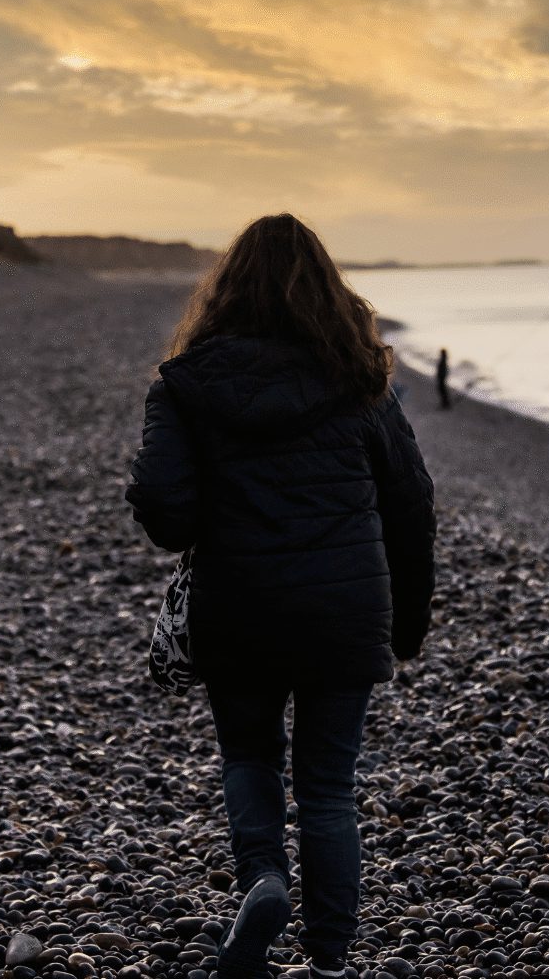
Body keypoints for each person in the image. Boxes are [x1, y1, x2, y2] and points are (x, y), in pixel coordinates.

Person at [125, 212, 437, 979]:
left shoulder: (186, 386)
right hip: (344, 612)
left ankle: (263, 878)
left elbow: (164, 514)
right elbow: (412, 507)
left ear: (226, 291)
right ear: (328, 292)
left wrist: (212, 504)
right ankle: (329, 961)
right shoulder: (363, 383)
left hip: (241, 606)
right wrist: (407, 624)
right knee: (329, 788)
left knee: (249, 756)